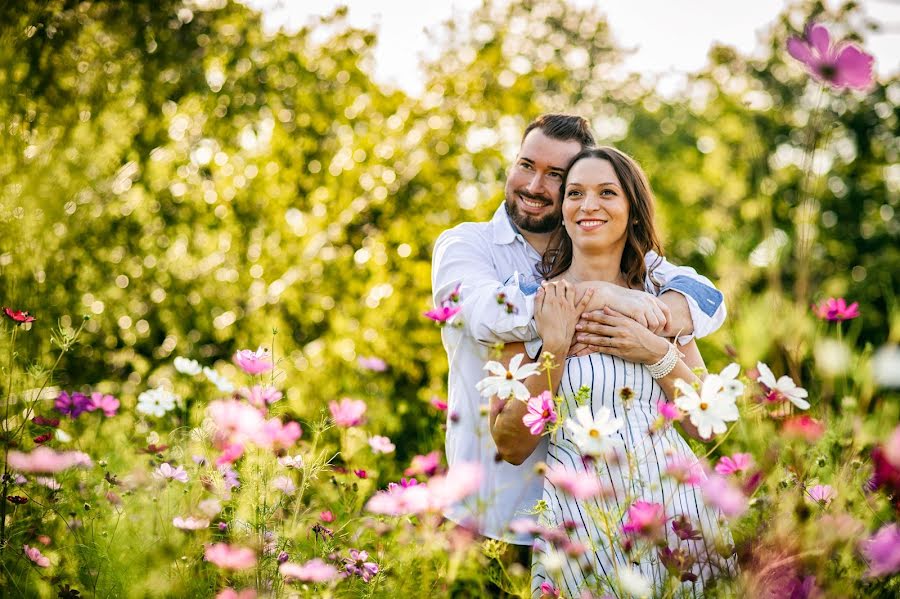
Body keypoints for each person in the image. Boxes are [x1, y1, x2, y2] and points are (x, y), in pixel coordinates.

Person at [430, 115, 726, 553]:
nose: (533, 185)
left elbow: (707, 299)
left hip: (648, 522)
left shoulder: (647, 283)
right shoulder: (468, 247)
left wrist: (653, 342)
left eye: (556, 176)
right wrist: (593, 302)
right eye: (526, 164)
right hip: (492, 517)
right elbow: (485, 313)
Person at [487, 147, 735, 597]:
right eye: (576, 193)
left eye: (607, 192)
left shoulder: (664, 305)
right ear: (562, 211)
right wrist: (556, 349)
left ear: (632, 211)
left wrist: (656, 352)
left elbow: (709, 426)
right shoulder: (528, 303)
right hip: (579, 523)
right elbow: (509, 444)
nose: (589, 205)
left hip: (677, 513)